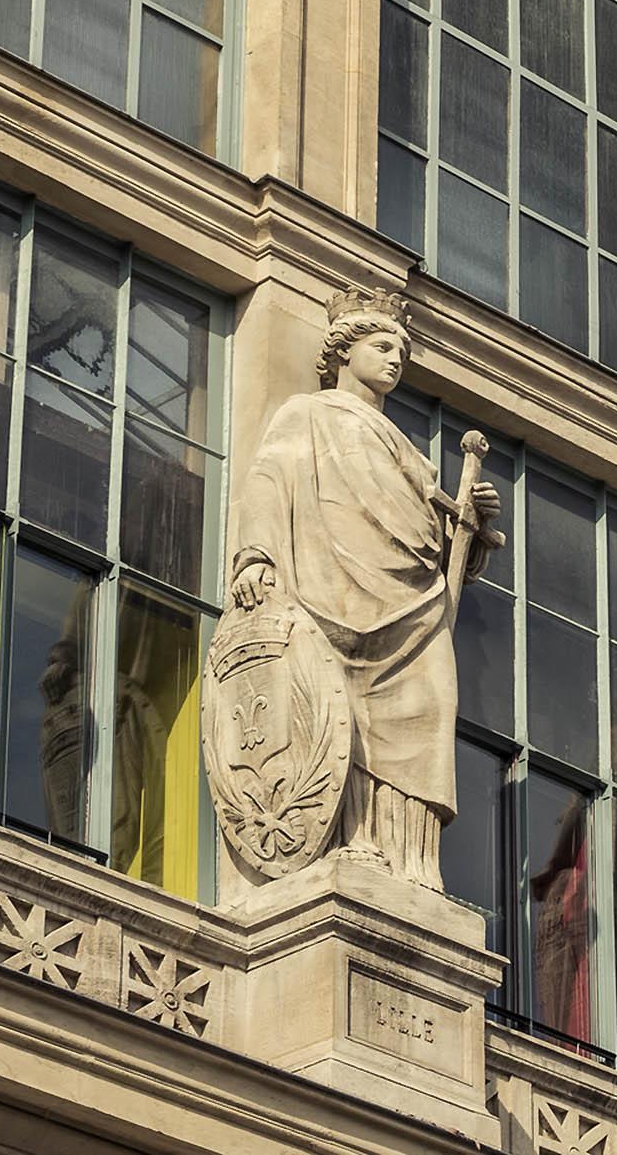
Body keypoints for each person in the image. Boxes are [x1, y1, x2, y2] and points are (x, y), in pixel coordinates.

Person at [226, 291, 502, 887]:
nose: (395, 359)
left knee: (428, 707)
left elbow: (435, 539)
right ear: (344, 351)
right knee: (337, 711)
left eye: (402, 350)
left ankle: (411, 861)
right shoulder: (306, 414)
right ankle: (349, 840)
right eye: (382, 346)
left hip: (414, 607)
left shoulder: (408, 451)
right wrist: (255, 556)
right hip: (331, 589)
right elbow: (269, 481)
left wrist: (472, 526)